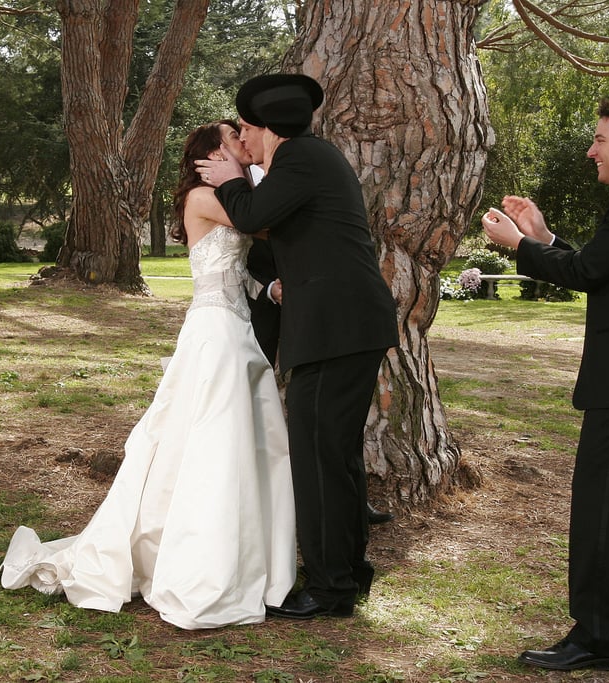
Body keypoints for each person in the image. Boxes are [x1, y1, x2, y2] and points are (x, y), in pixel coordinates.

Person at [0, 121, 297, 630]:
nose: (242, 143)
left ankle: (247, 553)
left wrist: (268, 290)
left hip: (234, 324)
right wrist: (254, 172)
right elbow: (262, 225)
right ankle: (201, 561)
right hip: (214, 330)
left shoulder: (222, 196)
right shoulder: (206, 196)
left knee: (236, 436)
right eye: (233, 137)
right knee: (213, 437)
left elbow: (233, 266)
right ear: (211, 153)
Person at [481, 94, 609, 671]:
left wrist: (518, 246)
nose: (591, 150)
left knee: (602, 505)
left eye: (600, 139)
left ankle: (598, 637)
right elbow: (600, 268)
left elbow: (586, 272)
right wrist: (542, 235)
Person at [196, 74, 400, 620]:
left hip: (337, 331)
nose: (243, 139)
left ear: (268, 130)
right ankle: (350, 573)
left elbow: (252, 216)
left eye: (246, 129)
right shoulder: (311, 159)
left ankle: (332, 588)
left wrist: (232, 178)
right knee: (335, 456)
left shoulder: (302, 160)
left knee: (316, 459)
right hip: (346, 327)